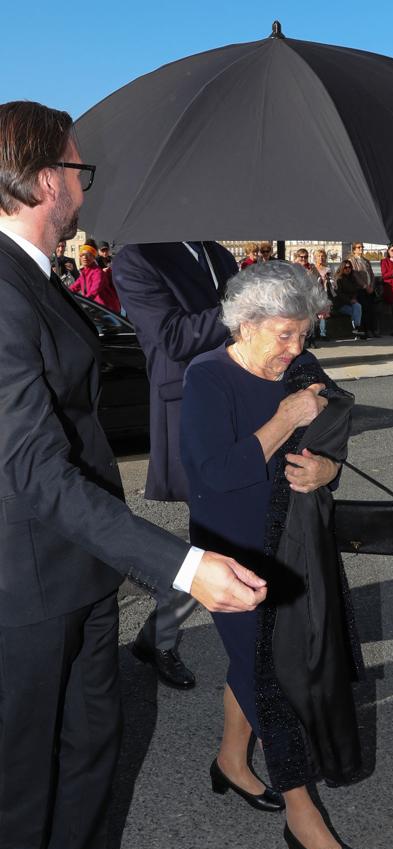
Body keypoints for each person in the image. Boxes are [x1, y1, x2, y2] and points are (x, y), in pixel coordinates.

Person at [0, 99, 267, 849]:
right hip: (25, 587)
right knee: (19, 782)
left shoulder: (33, 277)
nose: (89, 183)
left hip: (80, 568)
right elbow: (34, 469)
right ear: (49, 180)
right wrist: (181, 566)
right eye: (80, 168)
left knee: (90, 748)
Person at [180, 261, 367, 849]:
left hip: (295, 540)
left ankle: (232, 761)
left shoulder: (302, 367)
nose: (297, 349)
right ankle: (300, 809)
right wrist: (285, 419)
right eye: (284, 334)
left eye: (305, 333)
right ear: (245, 324)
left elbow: (336, 422)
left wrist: (328, 471)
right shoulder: (208, 377)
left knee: (255, 658)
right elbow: (214, 476)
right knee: (270, 672)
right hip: (231, 548)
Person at [112, 238, 238, 688]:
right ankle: (160, 637)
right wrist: (246, 307)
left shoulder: (218, 253)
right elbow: (172, 337)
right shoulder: (136, 256)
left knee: (230, 533)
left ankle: (160, 635)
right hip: (186, 411)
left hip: (237, 402)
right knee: (217, 537)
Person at [68, 242, 121, 312]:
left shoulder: (98, 273)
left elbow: (94, 291)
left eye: (88, 254)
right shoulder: (84, 273)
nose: (85, 257)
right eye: (82, 255)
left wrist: (82, 302)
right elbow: (73, 287)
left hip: (109, 311)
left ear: (93, 257)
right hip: (96, 308)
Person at [348, 241, 378, 336]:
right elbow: (355, 275)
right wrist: (365, 286)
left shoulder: (366, 260)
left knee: (372, 310)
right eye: (358, 247)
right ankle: (365, 330)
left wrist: (372, 286)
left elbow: (372, 274)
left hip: (370, 288)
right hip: (361, 289)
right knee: (364, 310)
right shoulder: (352, 261)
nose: (361, 249)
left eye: (362, 247)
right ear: (354, 250)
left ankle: (373, 329)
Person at [334, 259, 366, 338]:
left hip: (352, 303)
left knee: (357, 307)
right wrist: (350, 300)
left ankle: (357, 330)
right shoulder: (338, 279)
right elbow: (339, 294)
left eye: (349, 267)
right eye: (345, 268)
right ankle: (357, 329)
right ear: (342, 268)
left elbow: (355, 291)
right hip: (341, 304)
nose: (348, 269)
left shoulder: (352, 278)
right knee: (356, 309)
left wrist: (354, 299)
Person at [313, 247, 334, 341]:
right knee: (314, 315)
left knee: (323, 315)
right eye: (318, 256)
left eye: (322, 256)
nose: (321, 258)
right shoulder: (312, 268)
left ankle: (322, 333)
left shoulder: (328, 269)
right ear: (315, 257)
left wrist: (329, 280)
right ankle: (313, 333)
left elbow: (334, 283)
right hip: (314, 294)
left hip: (324, 294)